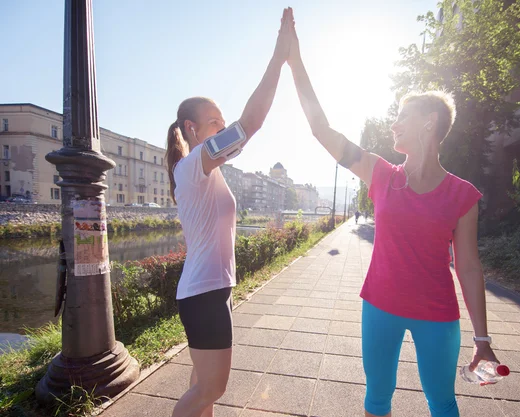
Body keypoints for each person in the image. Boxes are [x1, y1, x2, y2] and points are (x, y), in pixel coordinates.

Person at [286, 9, 499, 417]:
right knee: (377, 397)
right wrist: (295, 60)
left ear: (429, 122)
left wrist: (482, 338)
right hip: (379, 306)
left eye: (403, 115)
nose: (394, 123)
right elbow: (321, 129)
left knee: (442, 401)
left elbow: (469, 268)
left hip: (437, 314)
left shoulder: (462, 196)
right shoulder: (381, 174)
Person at [165, 9, 293, 417]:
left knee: (202, 386)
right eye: (214, 122)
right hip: (203, 293)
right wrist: (279, 58)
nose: (222, 129)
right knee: (212, 389)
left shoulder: (202, 169)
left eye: (222, 122)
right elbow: (251, 122)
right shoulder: (196, 163)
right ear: (191, 129)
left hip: (208, 290)